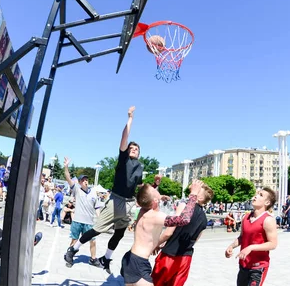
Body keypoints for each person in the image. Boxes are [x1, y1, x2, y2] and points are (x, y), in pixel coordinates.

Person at [64, 106, 144, 274]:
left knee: (120, 233)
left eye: (136, 149)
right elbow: (125, 138)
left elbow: (137, 187)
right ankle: (73, 249)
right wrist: (130, 119)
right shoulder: (124, 160)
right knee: (97, 229)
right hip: (117, 200)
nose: (133, 150)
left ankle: (106, 259)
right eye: (131, 148)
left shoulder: (140, 167)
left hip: (129, 203)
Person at [120, 180, 204, 286]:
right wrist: (194, 194)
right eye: (154, 190)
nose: (155, 189)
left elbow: (144, 197)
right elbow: (184, 220)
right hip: (138, 263)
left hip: (131, 258)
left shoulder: (143, 210)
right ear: (155, 200)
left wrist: (158, 194)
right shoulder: (155, 216)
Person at [151, 184, 214, 286]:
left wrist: (156, 244)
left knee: (157, 283)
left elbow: (168, 232)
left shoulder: (184, 207)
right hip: (185, 258)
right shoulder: (204, 219)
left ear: (200, 197)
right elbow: (195, 239)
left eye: (196, 190)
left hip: (170, 256)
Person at [225, 188, 278, 286]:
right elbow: (242, 237)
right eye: (256, 194)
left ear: (267, 202)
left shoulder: (268, 220)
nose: (255, 196)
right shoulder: (246, 217)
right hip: (244, 265)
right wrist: (231, 246)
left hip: (258, 267)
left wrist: (251, 247)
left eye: (260, 195)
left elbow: (273, 244)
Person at [63, 157, 101, 267]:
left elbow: (97, 207)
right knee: (74, 240)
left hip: (89, 222)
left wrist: (99, 219)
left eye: (86, 179)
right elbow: (68, 178)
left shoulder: (94, 193)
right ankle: (69, 256)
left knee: (92, 241)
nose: (85, 181)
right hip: (77, 221)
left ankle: (93, 259)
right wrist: (66, 166)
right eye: (83, 180)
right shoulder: (77, 190)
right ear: (79, 182)